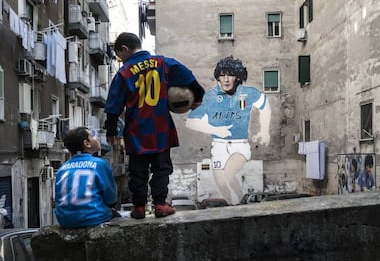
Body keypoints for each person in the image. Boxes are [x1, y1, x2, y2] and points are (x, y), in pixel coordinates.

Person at [104, 32, 204, 219]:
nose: (121, 60)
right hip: (160, 127)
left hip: (136, 130)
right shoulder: (162, 62)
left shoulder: (124, 72)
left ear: (125, 49)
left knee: (137, 171)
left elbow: (113, 104)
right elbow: (187, 75)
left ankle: (139, 207)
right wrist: (198, 95)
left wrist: (111, 129)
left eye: (120, 56)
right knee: (162, 168)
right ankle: (160, 204)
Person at [186, 56, 271, 205]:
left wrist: (264, 131)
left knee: (228, 174)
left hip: (240, 145)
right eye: (222, 75)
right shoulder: (211, 96)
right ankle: (232, 205)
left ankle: (240, 204)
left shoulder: (249, 93)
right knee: (220, 181)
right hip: (218, 146)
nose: (226, 79)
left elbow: (265, 107)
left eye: (230, 75)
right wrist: (215, 130)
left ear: (237, 77)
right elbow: (191, 121)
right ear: (218, 77)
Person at [54, 127, 119, 228]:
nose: (96, 138)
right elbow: (111, 198)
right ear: (87, 143)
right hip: (93, 217)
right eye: (92, 135)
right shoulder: (100, 164)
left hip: (65, 220)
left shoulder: (62, 169)